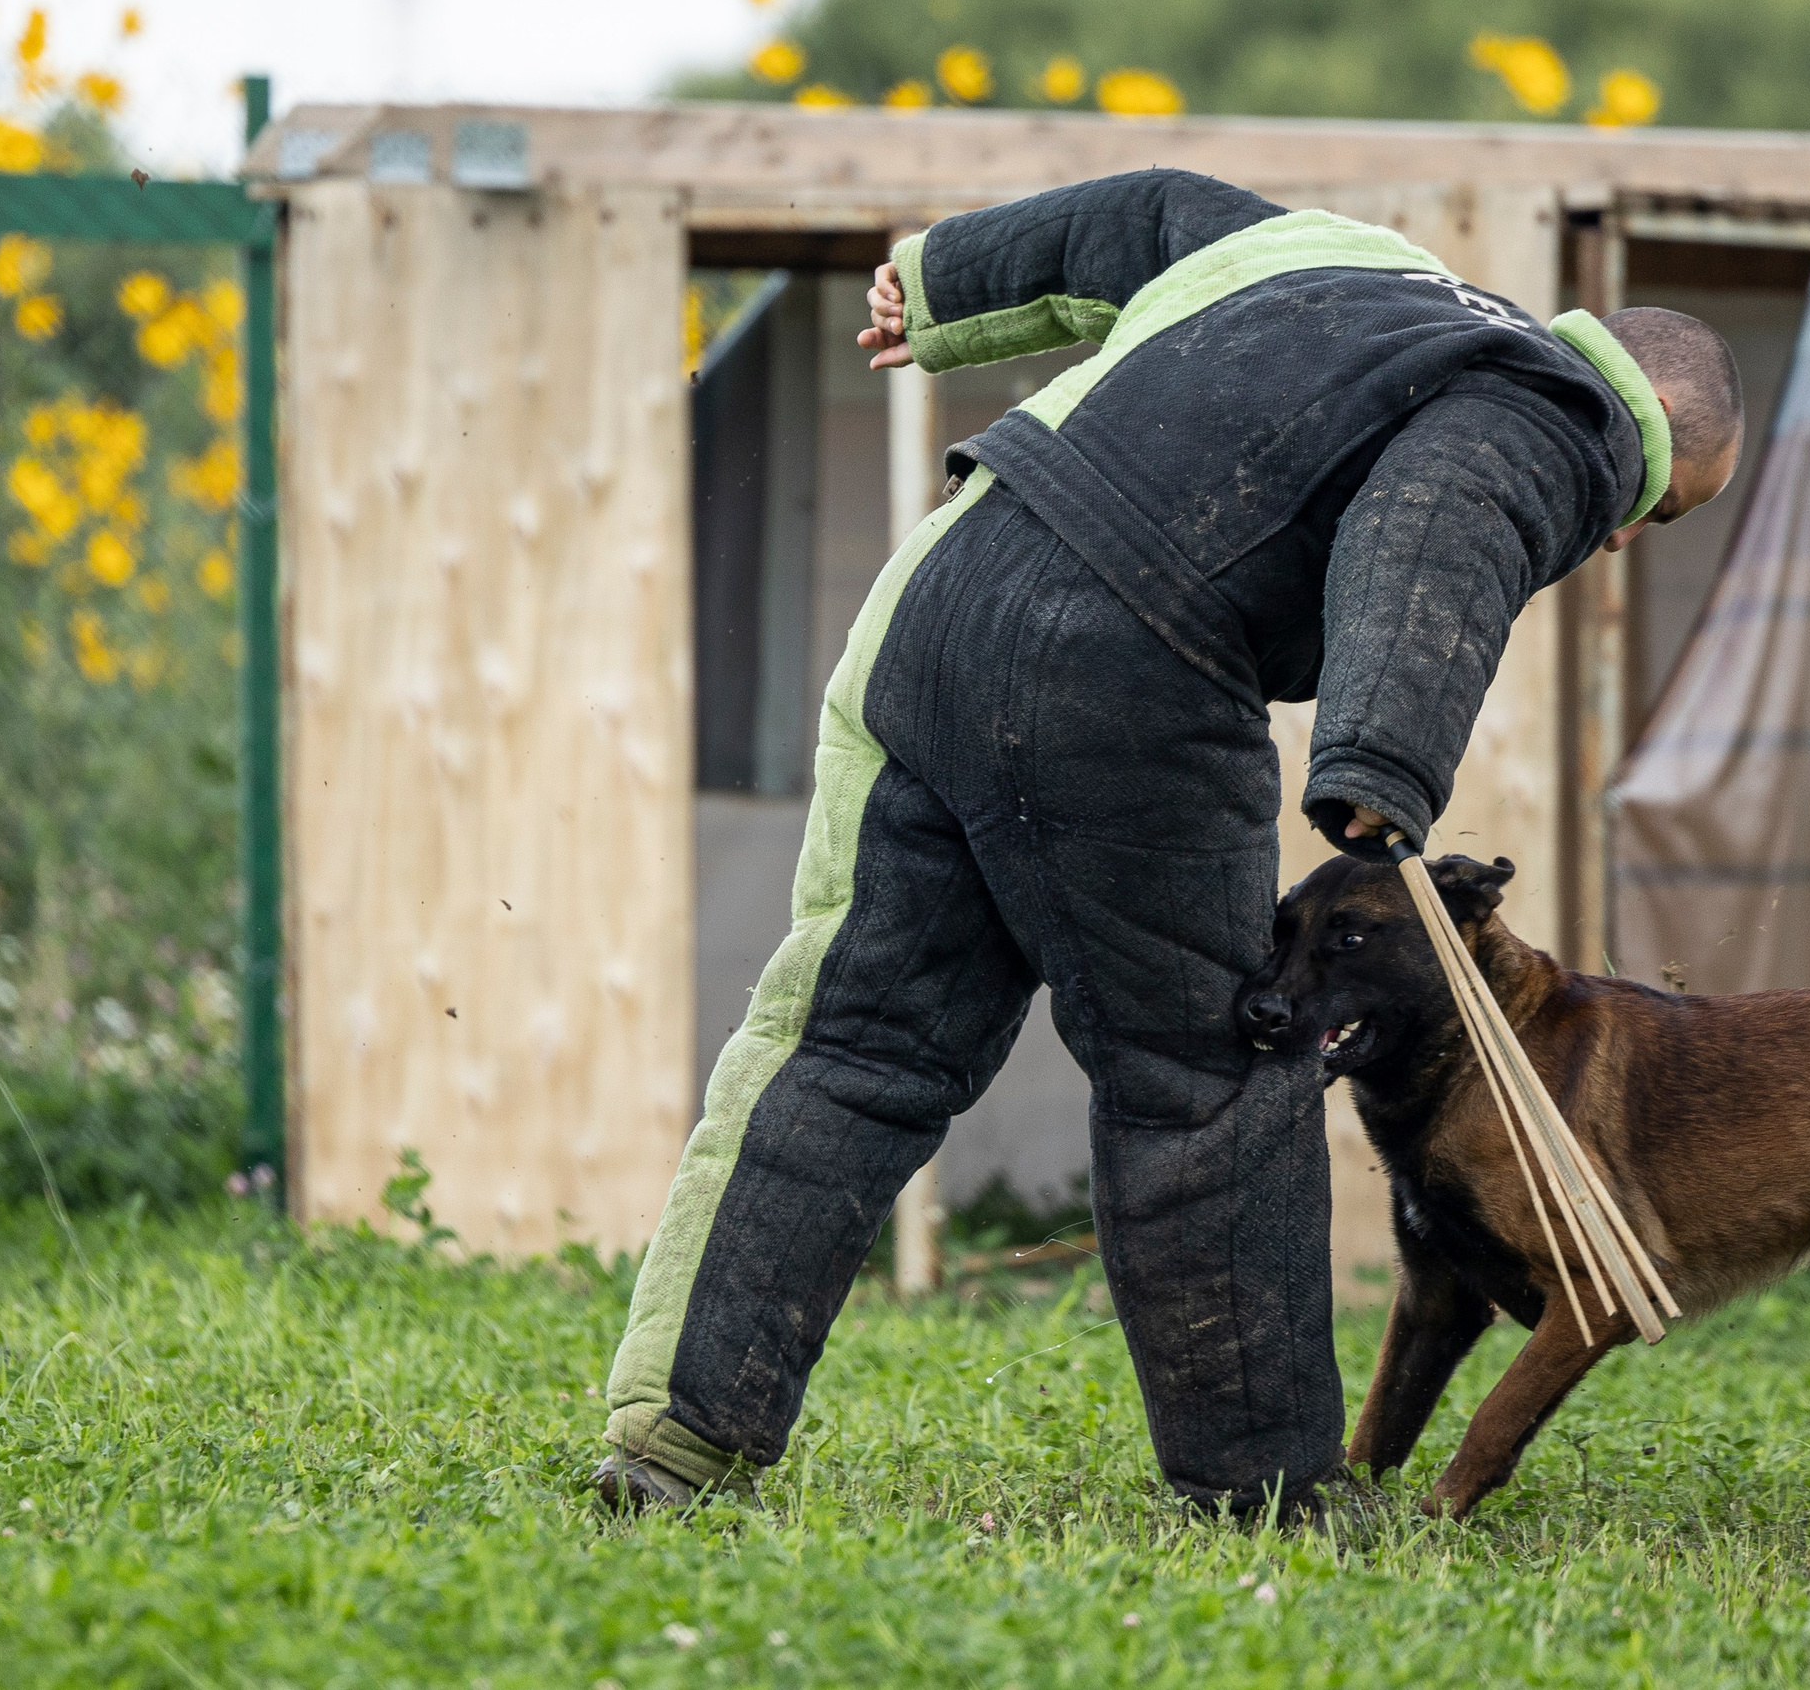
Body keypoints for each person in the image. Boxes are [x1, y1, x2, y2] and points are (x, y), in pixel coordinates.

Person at [594, 169, 1743, 1517]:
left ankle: (672, 1441)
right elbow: (1444, 513)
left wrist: (953, 281)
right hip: (1124, 657)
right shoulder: (1566, 417)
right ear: (1649, 459)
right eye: (1645, 517)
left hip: (938, 598)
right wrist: (1382, 758)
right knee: (1213, 1069)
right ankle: (1266, 1490)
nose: (1609, 536)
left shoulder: (1346, 255)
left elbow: (1145, 215)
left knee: (852, 1040)